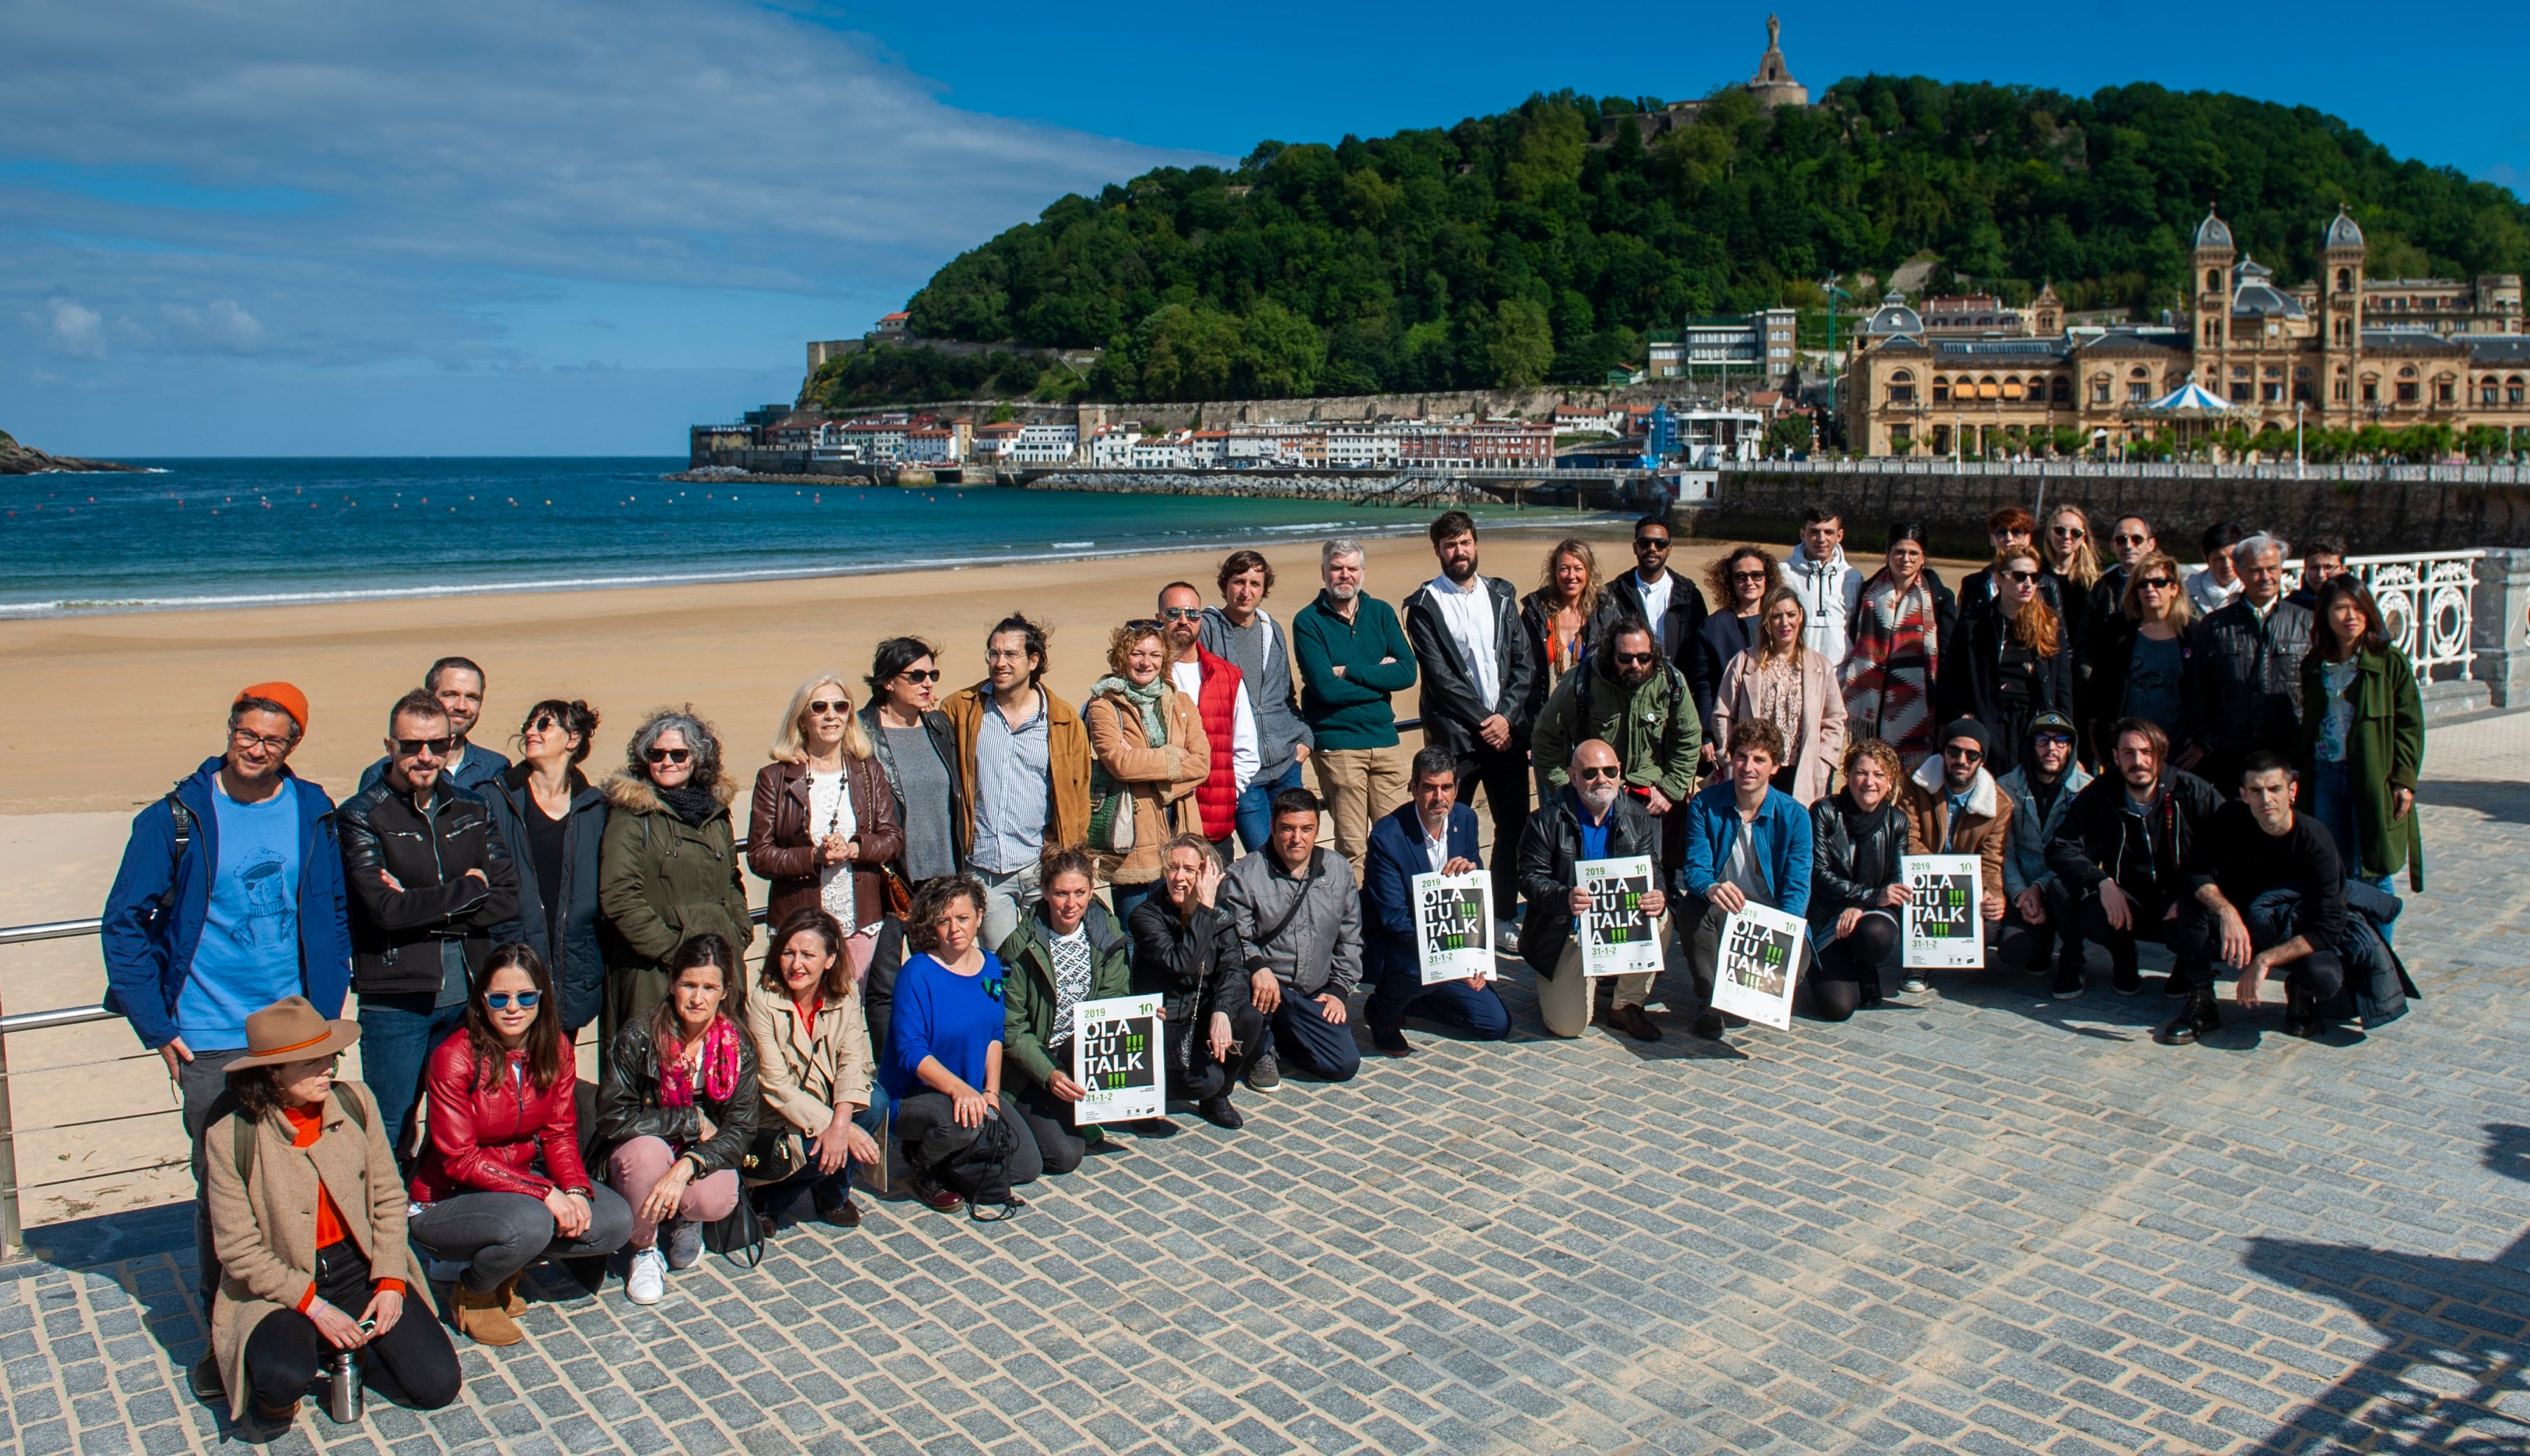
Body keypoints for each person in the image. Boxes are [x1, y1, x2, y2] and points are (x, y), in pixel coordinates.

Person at [101, 682, 351, 1398]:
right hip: (209, 1035)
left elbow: (331, 909)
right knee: (225, 1191)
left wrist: (327, 1009)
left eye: (272, 739)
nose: (256, 747)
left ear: (291, 746)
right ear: (230, 730)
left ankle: (296, 1314)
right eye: (247, 732)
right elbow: (125, 921)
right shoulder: (177, 817)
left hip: (297, 1030)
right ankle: (227, 1340)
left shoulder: (311, 811)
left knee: (298, 1174)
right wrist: (158, 1024)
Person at [202, 997, 459, 1431]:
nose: (330, 1069)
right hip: (279, 1281)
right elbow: (237, 1251)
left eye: (330, 1057)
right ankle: (299, 1352)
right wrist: (314, 1308)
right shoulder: (230, 1136)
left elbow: (388, 1199)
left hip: (355, 1265)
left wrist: (392, 1279)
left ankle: (339, 1343)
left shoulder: (356, 1103)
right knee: (282, 1382)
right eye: (310, 1063)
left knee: (437, 1384)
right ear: (272, 1073)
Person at [407, 945, 631, 1346]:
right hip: (446, 1198)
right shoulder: (453, 1058)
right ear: (482, 1002)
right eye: (500, 998)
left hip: (517, 1186)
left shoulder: (555, 1048)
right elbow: (460, 1159)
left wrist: (576, 1190)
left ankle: (506, 1269)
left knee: (613, 1221)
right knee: (531, 1221)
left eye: (526, 996)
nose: (514, 1007)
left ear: (542, 998)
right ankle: (473, 1293)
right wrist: (546, 1192)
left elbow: (559, 1132)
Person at [338, 688, 519, 1162]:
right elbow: (384, 910)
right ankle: (385, 1224)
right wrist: (466, 888)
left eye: (437, 744)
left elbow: (505, 896)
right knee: (390, 1121)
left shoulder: (471, 808)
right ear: (389, 745)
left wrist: (420, 904)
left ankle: (441, 1217)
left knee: (460, 1114)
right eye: (411, 745)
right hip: (396, 995)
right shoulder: (361, 814)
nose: (425, 756)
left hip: (469, 991)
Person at [593, 933, 760, 1304]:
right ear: (672, 984)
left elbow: (741, 1128)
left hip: (692, 1156)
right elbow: (613, 1117)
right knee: (647, 1156)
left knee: (717, 1195)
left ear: (725, 991)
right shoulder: (639, 1036)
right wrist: (691, 1121)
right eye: (688, 984)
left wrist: (688, 1165)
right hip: (641, 1149)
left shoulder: (738, 1045)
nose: (697, 998)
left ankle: (688, 1220)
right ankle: (643, 1247)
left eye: (709, 987)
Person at [880, 875, 1046, 1213]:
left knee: (1027, 1166)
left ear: (980, 917)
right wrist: (960, 1091)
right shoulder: (917, 972)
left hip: (972, 1091)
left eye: (963, 918)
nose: (955, 928)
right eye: (944, 920)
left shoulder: (991, 966)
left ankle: (955, 1156)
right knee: (957, 1124)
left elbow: (994, 1035)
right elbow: (911, 1053)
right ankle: (924, 1164)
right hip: (918, 1094)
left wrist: (990, 1093)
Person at [2161, 753, 2349, 1045]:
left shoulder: (2317, 841)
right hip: (2242, 926)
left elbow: (2330, 928)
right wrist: (2226, 912)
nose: (2266, 799)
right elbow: (2193, 870)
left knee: (2324, 977)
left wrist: (2265, 960)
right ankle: (2203, 1001)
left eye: (2274, 789)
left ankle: (2300, 993)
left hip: (2291, 930)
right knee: (2186, 911)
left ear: (2292, 791)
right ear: (2244, 795)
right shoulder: (2230, 818)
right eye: (2256, 791)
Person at [1403, 510, 1536, 920]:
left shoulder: (1500, 596)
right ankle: (1453, 916)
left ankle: (1501, 913)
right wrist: (1487, 721)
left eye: (1464, 542)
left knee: (1513, 826)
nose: (1458, 552)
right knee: (1448, 828)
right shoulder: (1424, 604)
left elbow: (1523, 664)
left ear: (1475, 543)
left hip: (1507, 738)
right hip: (1457, 740)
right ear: (1438, 551)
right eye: (1449, 545)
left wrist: (1506, 718)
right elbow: (1441, 678)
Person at [597, 707, 754, 1056]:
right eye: (656, 754)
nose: (666, 762)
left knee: (720, 1061)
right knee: (654, 1067)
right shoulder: (632, 814)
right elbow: (619, 895)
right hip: (654, 971)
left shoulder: (714, 812)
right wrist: (674, 953)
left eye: (678, 754)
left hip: (719, 962)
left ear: (697, 759)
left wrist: (740, 930)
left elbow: (731, 877)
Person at [942, 614, 1094, 949]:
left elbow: (1078, 793)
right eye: (994, 654)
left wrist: (1069, 855)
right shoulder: (961, 710)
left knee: (1050, 961)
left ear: (1033, 660)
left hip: (1040, 866)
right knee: (1003, 968)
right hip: (985, 869)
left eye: (1011, 654)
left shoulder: (1063, 719)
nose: (1000, 663)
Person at [2044, 718, 2225, 997]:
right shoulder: (2102, 792)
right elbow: (2060, 846)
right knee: (2067, 892)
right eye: (2128, 753)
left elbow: (2230, 844)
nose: (2138, 761)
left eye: (2147, 752)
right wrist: (2102, 882)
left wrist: (2194, 894)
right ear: (2115, 757)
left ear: (2160, 756)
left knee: (2205, 908)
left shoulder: (2190, 791)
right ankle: (2121, 958)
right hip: (2129, 899)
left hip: (2180, 900)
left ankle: (2187, 967)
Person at [748, 674, 903, 982]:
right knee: (802, 1008)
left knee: (848, 1007)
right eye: (819, 707)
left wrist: (855, 848)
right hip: (799, 923)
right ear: (803, 720)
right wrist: (814, 857)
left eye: (840, 706)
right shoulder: (775, 778)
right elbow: (759, 855)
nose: (831, 715)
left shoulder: (869, 772)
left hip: (859, 920)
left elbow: (892, 839)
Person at [1359, 746, 1513, 1054]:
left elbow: (1476, 895)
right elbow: (1395, 920)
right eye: (1429, 787)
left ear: (1456, 788)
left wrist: (1471, 873)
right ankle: (1383, 1013)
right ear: (1413, 787)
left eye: (1446, 787)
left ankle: (1418, 1001)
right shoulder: (1387, 836)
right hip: (1402, 946)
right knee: (1418, 969)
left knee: (1494, 1024)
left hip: (1449, 941)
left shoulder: (1466, 819)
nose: (1438, 797)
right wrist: (1454, 960)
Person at [742, 908, 885, 1231]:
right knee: (818, 1141)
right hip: (780, 1112)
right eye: (788, 953)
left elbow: (853, 1060)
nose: (796, 964)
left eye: (808, 954)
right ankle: (769, 1200)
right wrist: (836, 1128)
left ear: (830, 959)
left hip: (827, 1097)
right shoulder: (762, 1002)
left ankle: (831, 1192)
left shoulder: (846, 993)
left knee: (875, 1102)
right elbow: (776, 1085)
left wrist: (842, 1121)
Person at [1515, 740, 1667, 1041]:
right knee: (1569, 1027)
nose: (1602, 779)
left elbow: (1654, 869)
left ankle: (1626, 1004)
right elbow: (1529, 878)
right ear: (1573, 776)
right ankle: (1576, 981)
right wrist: (1564, 898)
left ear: (1620, 772)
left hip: (1617, 925)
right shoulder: (1545, 820)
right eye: (1590, 773)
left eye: (1610, 770)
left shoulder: (1638, 817)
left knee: (1663, 917)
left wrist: (1659, 891)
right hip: (1567, 931)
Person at [1531, 617, 1702, 877]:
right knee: (1589, 875)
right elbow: (1546, 734)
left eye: (1644, 658)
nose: (1636, 665)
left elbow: (1688, 736)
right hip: (1592, 793)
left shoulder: (1669, 681)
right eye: (1626, 658)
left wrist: (1670, 789)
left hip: (1646, 794)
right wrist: (1566, 788)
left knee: (1645, 876)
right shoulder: (1583, 680)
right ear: (1612, 654)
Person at [999, 845, 1139, 1164]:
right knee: (1064, 1157)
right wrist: (1048, 1074)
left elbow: (1113, 998)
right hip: (1034, 1062)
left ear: (1092, 891)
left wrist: (1136, 1017)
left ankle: (1076, 1109)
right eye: (1062, 893)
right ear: (1046, 892)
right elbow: (1011, 1027)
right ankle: (1040, 1110)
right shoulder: (1020, 948)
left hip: (1080, 1052)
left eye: (1080, 892)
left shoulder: (1107, 934)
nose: (1071, 904)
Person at [1677, 721, 1813, 1042]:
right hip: (1725, 909)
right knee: (1690, 909)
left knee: (1799, 963)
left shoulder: (1795, 815)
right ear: (1731, 758)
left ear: (1775, 767)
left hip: (1771, 917)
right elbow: (1695, 868)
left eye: (1759, 760)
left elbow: (1797, 888)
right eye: (1741, 757)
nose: (1748, 767)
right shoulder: (1704, 805)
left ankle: (1750, 993)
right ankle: (1709, 999)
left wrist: (1783, 931)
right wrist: (1712, 887)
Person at [479, 700, 608, 1033]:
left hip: (574, 966)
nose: (530, 732)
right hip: (513, 961)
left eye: (544, 724)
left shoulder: (595, 807)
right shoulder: (495, 799)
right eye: (529, 724)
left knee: (560, 1069)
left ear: (573, 739)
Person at [1293, 537, 1418, 876]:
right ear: (1323, 572)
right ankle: (1358, 926)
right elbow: (1325, 689)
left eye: (1351, 568)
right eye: (1336, 568)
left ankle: (1394, 919)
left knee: (1396, 840)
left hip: (1385, 740)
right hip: (1339, 747)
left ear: (1363, 572)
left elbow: (1407, 672)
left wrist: (1351, 671)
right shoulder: (1307, 621)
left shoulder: (1380, 613)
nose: (1344, 575)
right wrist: (1379, 678)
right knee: (1353, 848)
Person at [1221, 787, 1363, 1085]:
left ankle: (1284, 1037)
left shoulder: (1338, 869)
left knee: (1343, 1063)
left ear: (1317, 830)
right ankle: (1260, 1046)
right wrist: (1257, 967)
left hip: (1313, 990)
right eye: (1287, 829)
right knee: (1250, 994)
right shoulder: (1243, 876)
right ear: (1272, 828)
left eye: (1306, 829)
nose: (1296, 839)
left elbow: (1350, 937)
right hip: (1262, 986)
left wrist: (1339, 990)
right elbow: (1234, 940)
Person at [2299, 574, 2424, 904]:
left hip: (2372, 776)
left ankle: (2380, 952)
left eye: (2357, 607)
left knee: (2373, 870)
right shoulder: (2314, 665)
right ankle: (2347, 947)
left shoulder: (2388, 661)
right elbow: (2310, 723)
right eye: (2340, 608)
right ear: (2325, 613)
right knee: (2333, 867)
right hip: (2326, 774)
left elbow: (2410, 725)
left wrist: (2404, 780)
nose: (2350, 616)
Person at [1127, 836, 1263, 1127]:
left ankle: (1217, 1098)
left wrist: (1222, 1011)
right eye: (1172, 868)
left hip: (1196, 1010)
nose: (1179, 878)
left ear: (1206, 875)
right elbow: (1182, 965)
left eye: (1190, 870)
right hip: (1164, 1020)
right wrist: (1203, 911)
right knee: (1204, 1081)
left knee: (1249, 1017)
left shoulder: (1220, 915)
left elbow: (1234, 970)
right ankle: (1145, 1095)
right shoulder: (1146, 916)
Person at [1083, 619, 1211, 926]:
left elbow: (1202, 764)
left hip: (1178, 826)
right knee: (1134, 932)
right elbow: (1119, 763)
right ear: (1121, 656)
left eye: (1154, 655)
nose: (1146, 663)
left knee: (1181, 926)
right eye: (1137, 654)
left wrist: (1147, 768)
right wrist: (1172, 757)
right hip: (1130, 836)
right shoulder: (1104, 704)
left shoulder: (1180, 702)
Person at [1201, 549, 1315, 854]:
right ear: (1226, 584)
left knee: (1295, 852)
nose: (1246, 591)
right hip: (1243, 773)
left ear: (1264, 589)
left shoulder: (1271, 629)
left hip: (1287, 764)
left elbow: (1286, 695)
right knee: (1263, 856)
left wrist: (1305, 738)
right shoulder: (1208, 630)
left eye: (1255, 583)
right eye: (1239, 581)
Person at [2184, 531, 2312, 794]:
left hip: (2289, 753)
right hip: (2230, 756)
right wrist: (2208, 743)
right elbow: (2197, 688)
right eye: (2256, 570)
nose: (2265, 577)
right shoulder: (2215, 626)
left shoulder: (2306, 624)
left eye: (2272, 569)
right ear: (2240, 572)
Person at [1895, 717, 2014, 989]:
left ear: (1981, 760)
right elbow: (1908, 838)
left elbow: (1992, 861)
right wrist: (1940, 881)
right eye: (1954, 751)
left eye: (1972, 755)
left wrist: (1993, 895)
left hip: (1963, 888)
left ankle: (1957, 953)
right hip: (1919, 878)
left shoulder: (1999, 804)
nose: (1962, 760)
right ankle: (1919, 962)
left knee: (1991, 918)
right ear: (1942, 752)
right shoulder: (1915, 782)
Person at [1939, 546, 2070, 779]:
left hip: (2032, 723)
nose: (2028, 584)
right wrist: (1962, 715)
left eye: (2034, 577)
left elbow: (2061, 687)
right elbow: (1951, 680)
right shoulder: (1974, 624)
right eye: (2019, 576)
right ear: (1999, 578)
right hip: (1988, 721)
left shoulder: (2049, 625)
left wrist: (2063, 730)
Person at [1806, 739, 1913, 1021]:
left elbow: (1897, 880)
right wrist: (1870, 896)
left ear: (1890, 783)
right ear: (1848, 776)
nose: (1869, 782)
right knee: (1837, 1008)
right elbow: (1818, 874)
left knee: (1875, 935)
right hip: (1827, 915)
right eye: (1861, 773)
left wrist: (1862, 905)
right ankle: (1830, 965)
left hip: (1869, 915)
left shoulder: (1897, 821)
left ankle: (1865, 965)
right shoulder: (1825, 812)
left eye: (1879, 775)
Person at [1711, 586, 1846, 804]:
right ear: (1767, 621)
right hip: (1753, 768)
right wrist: (1729, 758)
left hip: (1800, 771)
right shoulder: (1745, 661)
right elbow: (1723, 713)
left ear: (1801, 616)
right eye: (1776, 616)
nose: (1785, 623)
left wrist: (1823, 761)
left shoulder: (1820, 666)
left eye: (1791, 615)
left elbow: (1835, 719)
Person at [1841, 521, 1958, 772]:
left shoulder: (1940, 598)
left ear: (1923, 558)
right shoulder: (1867, 593)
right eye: (1899, 552)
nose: (1906, 559)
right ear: (1888, 554)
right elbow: (1854, 640)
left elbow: (1947, 655)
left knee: (1911, 781)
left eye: (1913, 553)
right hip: (1871, 703)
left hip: (1918, 704)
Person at [1159, 581, 1258, 859]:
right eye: (1173, 613)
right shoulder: (1145, 675)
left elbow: (1247, 751)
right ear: (1159, 619)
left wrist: (1227, 795)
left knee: (1212, 901)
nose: (1183, 621)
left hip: (1213, 827)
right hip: (1161, 825)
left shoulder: (1227, 676)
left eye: (1192, 613)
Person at [1994, 712, 2093, 984]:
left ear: (2071, 747)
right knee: (2015, 950)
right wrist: (2020, 894)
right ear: (2030, 744)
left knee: (2063, 890)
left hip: (2065, 885)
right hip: (2023, 885)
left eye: (2061, 740)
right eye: (2042, 740)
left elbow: (2081, 855)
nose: (2051, 748)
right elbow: (2004, 851)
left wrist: (2040, 887)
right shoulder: (2005, 787)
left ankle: (2073, 957)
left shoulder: (2088, 790)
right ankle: (2041, 942)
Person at [861, 637, 965, 885]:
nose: (927, 683)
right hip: (894, 879)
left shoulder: (939, 726)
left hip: (946, 875)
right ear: (888, 682)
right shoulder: (861, 734)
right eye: (917, 676)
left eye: (932, 675)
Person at [2078, 550, 2195, 770]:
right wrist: (2099, 741)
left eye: (2159, 582)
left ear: (2174, 588)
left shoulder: (2192, 634)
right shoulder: (2118, 630)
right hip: (2127, 749)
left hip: (2176, 750)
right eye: (2143, 583)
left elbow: (2204, 693)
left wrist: (2201, 742)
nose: (2150, 589)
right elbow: (2099, 691)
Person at [1519, 538, 1614, 770]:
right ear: (1554, 572)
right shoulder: (1536, 612)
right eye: (1564, 568)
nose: (1571, 576)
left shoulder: (1605, 613)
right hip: (1547, 727)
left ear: (1589, 571)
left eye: (1578, 568)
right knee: (1552, 799)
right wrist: (1528, 730)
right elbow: (1522, 671)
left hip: (1592, 728)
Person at [358, 656, 509, 796]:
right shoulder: (384, 772)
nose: (462, 706)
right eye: (451, 695)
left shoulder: (496, 767)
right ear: (429, 698)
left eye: (472, 697)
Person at [1603, 511, 1711, 693]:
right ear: (1635, 547)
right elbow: (1604, 648)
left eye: (1660, 544)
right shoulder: (1613, 594)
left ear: (1669, 549)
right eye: (1645, 543)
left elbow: (1700, 654)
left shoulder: (1689, 595)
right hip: (1626, 691)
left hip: (1676, 692)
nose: (1652, 548)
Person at [1694, 546, 1780, 761]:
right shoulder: (1714, 627)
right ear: (1729, 581)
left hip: (1777, 724)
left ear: (1767, 577)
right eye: (1740, 576)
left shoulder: (1781, 621)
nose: (1749, 582)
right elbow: (1704, 684)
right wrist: (1706, 735)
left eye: (1756, 575)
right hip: (1732, 727)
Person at [1782, 503, 1864, 671]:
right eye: (1814, 532)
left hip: (1839, 676)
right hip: (1794, 671)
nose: (1821, 539)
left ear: (1840, 536)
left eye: (1829, 532)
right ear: (1803, 534)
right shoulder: (1783, 573)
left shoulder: (1853, 578)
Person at [1957, 507, 2058, 616]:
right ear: (1992, 538)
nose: (2009, 538)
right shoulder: (1973, 584)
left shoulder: (2046, 585)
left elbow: (2057, 628)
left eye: (2017, 532)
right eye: (2001, 532)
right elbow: (1961, 628)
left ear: (2027, 539)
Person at [2041, 504, 2102, 652]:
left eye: (2075, 532)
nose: (2066, 537)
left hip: (2078, 658)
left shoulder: (2093, 582)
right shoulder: (2034, 575)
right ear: (2049, 534)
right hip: (2042, 653)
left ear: (2083, 538)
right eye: (2059, 530)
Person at [2092, 515, 2158, 627]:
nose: (2128, 546)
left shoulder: (2163, 584)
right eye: (2121, 540)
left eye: (2137, 540)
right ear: (2113, 546)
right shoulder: (2102, 586)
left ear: (2150, 545)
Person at [2185, 521, 2244, 618]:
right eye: (2219, 559)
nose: (2227, 565)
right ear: (2206, 558)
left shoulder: (2253, 590)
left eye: (2232, 557)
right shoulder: (2187, 592)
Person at [2286, 537, 2349, 612]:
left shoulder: (2356, 602)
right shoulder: (2291, 607)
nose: (2321, 575)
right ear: (2305, 569)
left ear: (2343, 569)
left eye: (2329, 567)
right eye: (2314, 568)